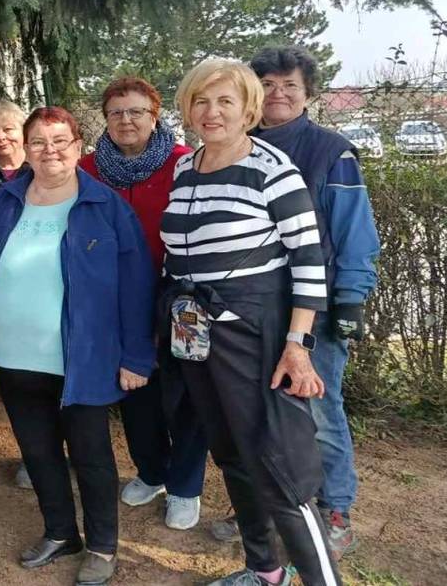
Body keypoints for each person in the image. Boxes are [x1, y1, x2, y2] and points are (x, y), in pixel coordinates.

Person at [0, 107, 155, 586]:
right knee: (39, 452)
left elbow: (137, 287)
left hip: (81, 361)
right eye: (40, 142)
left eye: (61, 141)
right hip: (12, 357)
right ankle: (61, 532)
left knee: (91, 456)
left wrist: (135, 355)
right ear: (25, 148)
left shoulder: (106, 208)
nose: (51, 151)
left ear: (78, 145)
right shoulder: (1, 204)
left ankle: (103, 546)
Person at [161, 59, 340, 586]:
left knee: (280, 469)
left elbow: (309, 260)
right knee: (232, 455)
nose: (210, 112)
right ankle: (266, 572)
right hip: (195, 329)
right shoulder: (185, 166)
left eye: (224, 102)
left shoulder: (273, 169)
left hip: (254, 331)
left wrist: (297, 344)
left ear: (248, 109)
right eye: (201, 101)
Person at [249, 45, 380, 558]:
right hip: (256, 305)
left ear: (307, 93)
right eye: (267, 84)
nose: (278, 94)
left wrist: (350, 299)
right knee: (261, 409)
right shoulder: (238, 147)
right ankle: (271, 503)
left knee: (319, 409)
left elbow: (355, 232)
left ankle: (335, 508)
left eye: (290, 85)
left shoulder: (332, 152)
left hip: (316, 308)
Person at [79, 77, 208, 531]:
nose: (126, 120)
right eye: (116, 113)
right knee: (136, 390)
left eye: (136, 111)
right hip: (117, 300)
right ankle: (152, 470)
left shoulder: (184, 163)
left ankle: (186, 485)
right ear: (106, 119)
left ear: (155, 116)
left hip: (181, 297)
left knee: (187, 391)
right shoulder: (88, 169)